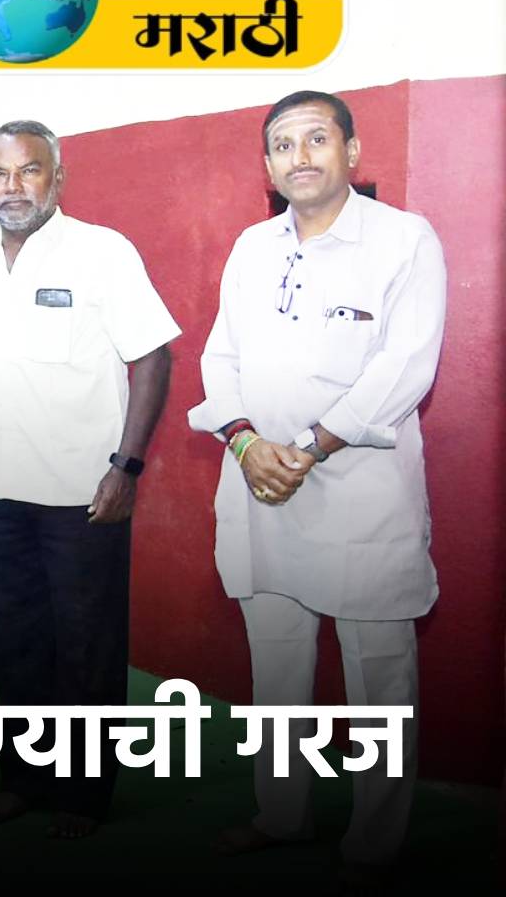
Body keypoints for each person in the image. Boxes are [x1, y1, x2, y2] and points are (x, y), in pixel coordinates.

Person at [186, 90, 445, 886]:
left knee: (380, 675)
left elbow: (406, 367)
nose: (299, 156)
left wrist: (305, 447)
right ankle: (282, 814)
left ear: (351, 152)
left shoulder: (403, 240)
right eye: (282, 144)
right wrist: (243, 441)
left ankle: (376, 841)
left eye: (316, 139)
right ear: (267, 166)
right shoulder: (252, 247)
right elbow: (220, 356)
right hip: (261, 486)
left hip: (361, 490)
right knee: (277, 665)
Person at [0, 121, 178, 839]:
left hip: (85, 492)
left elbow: (153, 357)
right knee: (14, 641)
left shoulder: (103, 252)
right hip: (0, 489)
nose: (12, 187)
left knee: (87, 646)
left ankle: (83, 794)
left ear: (58, 177)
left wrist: (126, 467)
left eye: (29, 171)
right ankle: (23, 778)